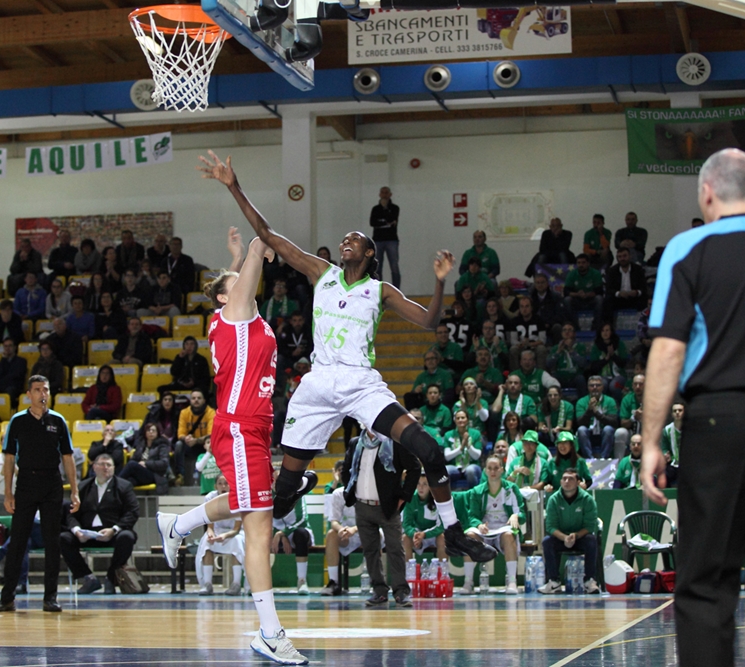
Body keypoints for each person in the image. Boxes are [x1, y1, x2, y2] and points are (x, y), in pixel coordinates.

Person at [199, 150, 495, 567]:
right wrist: (234, 186)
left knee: (428, 450)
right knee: (281, 495)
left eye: (354, 239)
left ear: (370, 253)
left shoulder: (381, 290)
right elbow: (266, 233)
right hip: (319, 384)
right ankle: (272, 496)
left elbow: (429, 321)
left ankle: (455, 533)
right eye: (343, 240)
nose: (345, 242)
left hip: (360, 384)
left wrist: (439, 282)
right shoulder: (321, 272)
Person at [640, 149, 745, 667]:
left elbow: (669, 350)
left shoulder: (688, 249)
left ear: (708, 193)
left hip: (719, 421)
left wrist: (651, 441)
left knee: (707, 583)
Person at [156, 230, 308, 665]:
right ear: (225, 298)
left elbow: (239, 277)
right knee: (259, 525)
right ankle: (271, 633)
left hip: (255, 428)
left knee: (253, 507)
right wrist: (260, 243)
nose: (242, 285)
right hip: (240, 427)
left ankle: (178, 524)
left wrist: (237, 258)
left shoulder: (241, 318)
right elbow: (261, 245)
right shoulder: (235, 316)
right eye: (235, 284)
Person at [0, 375, 80, 614]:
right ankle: (7, 598)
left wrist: (75, 491)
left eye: (46, 389)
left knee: (52, 542)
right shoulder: (18, 420)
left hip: (52, 483)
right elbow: (9, 458)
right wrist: (8, 493)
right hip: (26, 482)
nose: (42, 394)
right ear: (28, 394)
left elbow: (68, 457)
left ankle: (50, 597)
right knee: (18, 541)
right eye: (38, 389)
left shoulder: (58, 420)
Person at [342, 428, 419, 607]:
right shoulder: (355, 443)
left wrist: (403, 496)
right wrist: (351, 491)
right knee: (370, 550)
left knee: (395, 548)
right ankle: (379, 591)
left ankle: (401, 591)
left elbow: (415, 468)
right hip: (362, 506)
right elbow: (346, 470)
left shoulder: (395, 443)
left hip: (388, 507)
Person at [61, 453, 139, 595]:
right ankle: (88, 578)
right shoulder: (83, 486)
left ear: (114, 468)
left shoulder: (124, 486)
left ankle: (111, 578)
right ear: (94, 467)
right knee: (63, 538)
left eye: (109, 465)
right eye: (102, 464)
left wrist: (114, 529)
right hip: (87, 533)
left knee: (127, 537)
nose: (105, 468)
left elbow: (132, 512)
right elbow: (71, 514)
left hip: (112, 532)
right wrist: (77, 531)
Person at [460, 455, 526, 595]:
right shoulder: (477, 491)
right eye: (490, 468)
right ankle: (468, 581)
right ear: (485, 471)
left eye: (496, 468)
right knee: (469, 535)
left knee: (508, 535)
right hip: (486, 530)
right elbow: (472, 516)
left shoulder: (511, 489)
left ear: (502, 470)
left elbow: (521, 513)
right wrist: (479, 525)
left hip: (504, 528)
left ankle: (512, 581)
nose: (493, 471)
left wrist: (516, 516)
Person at [537, 468, 601, 595]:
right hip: (561, 538)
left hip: (580, 537)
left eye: (571, 479)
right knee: (547, 542)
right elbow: (550, 526)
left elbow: (590, 526)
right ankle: (554, 581)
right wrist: (564, 538)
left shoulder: (587, 500)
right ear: (560, 481)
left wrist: (575, 536)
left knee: (591, 540)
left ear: (578, 482)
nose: (566, 481)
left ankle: (589, 581)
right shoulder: (553, 500)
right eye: (564, 478)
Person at [196, 475, 245, 596]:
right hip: (217, 530)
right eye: (220, 483)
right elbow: (210, 526)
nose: (223, 486)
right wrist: (211, 534)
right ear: (215, 486)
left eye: (226, 483)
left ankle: (236, 584)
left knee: (238, 541)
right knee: (207, 542)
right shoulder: (210, 498)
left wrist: (225, 536)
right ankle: (207, 584)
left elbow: (236, 529)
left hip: (235, 532)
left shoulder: (238, 498)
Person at [319, 485, 359, 597]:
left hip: (365, 531)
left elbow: (372, 520)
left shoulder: (368, 492)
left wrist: (354, 529)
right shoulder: (337, 494)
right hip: (345, 534)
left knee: (376, 536)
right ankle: (333, 582)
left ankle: (377, 583)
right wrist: (341, 529)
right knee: (331, 535)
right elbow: (334, 521)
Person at [173, 388, 215, 485]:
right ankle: (180, 475)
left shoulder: (211, 412)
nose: (196, 400)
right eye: (193, 398)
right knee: (179, 445)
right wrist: (186, 439)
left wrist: (196, 440)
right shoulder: (184, 412)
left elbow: (211, 434)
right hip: (190, 444)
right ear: (190, 400)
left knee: (213, 443)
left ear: (204, 400)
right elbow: (180, 434)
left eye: (199, 398)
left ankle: (213, 478)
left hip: (205, 444)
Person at [401, 474, 447, 562]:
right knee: (405, 538)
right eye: (418, 483)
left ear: (430, 486)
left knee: (442, 538)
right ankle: (409, 568)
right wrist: (414, 534)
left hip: (433, 534)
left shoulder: (438, 498)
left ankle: (442, 568)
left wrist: (425, 534)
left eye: (425, 484)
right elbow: (407, 524)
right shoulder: (411, 498)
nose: (421, 487)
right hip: (418, 534)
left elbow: (441, 526)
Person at [119, 422, 172, 494]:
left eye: (153, 430)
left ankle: (113, 484)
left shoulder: (162, 446)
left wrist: (146, 463)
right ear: (145, 433)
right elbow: (134, 459)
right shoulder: (141, 445)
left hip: (154, 475)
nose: (151, 432)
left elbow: (164, 463)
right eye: (149, 430)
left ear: (157, 433)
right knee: (128, 482)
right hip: (141, 473)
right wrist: (139, 464)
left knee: (131, 464)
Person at [574, 376, 618, 458]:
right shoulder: (581, 402)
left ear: (603, 387)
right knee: (581, 429)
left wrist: (597, 413)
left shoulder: (610, 401)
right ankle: (589, 459)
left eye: (598, 385)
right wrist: (589, 410)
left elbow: (613, 422)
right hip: (589, 434)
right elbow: (580, 422)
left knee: (608, 429)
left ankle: (604, 459)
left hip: (604, 434)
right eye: (592, 385)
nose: (595, 388)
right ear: (588, 388)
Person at [369, 186, 401, 288]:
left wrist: (382, 218)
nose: (384, 194)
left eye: (386, 192)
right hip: (378, 240)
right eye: (382, 192)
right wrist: (386, 222)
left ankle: (396, 290)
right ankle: (378, 289)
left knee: (394, 266)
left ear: (390, 194)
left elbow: (392, 220)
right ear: (379, 194)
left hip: (392, 240)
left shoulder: (395, 208)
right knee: (377, 267)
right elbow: (372, 222)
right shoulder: (375, 209)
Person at [442, 409, 483, 489]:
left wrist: (467, 445)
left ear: (467, 419)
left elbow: (477, 456)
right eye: (458, 418)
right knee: (446, 470)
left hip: (471, 465)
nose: (460, 420)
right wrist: (461, 448)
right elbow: (447, 457)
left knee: (470, 470)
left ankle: (473, 493)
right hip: (455, 467)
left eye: (463, 417)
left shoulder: (476, 433)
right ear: (455, 420)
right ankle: (448, 495)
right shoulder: (448, 434)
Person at [603, 247, 647, 321]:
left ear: (630, 256)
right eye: (620, 257)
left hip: (634, 298)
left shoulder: (638, 269)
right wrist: (619, 293)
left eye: (624, 256)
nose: (622, 259)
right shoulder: (612, 271)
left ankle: (643, 324)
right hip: (618, 299)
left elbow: (643, 287)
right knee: (607, 301)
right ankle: (608, 325)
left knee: (645, 300)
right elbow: (609, 289)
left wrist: (637, 292)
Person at [587, 322, 629, 399]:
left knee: (614, 385)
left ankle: (618, 403)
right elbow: (594, 367)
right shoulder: (596, 346)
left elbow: (623, 363)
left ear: (611, 332)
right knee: (602, 385)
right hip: (602, 376)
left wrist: (613, 355)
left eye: (607, 330)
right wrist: (605, 359)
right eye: (602, 331)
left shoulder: (619, 344)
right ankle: (601, 404)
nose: (605, 333)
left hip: (618, 375)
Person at [547, 322, 588, 398]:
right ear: (561, 333)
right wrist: (558, 352)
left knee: (581, 379)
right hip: (561, 377)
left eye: (570, 330)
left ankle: (583, 402)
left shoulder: (580, 347)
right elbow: (548, 365)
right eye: (564, 330)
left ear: (574, 333)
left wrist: (572, 351)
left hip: (574, 377)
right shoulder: (555, 348)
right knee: (553, 378)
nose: (567, 332)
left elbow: (583, 364)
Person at [506, 296, 548, 369]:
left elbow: (542, 340)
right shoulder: (514, 321)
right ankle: (515, 374)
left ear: (531, 308)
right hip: (521, 347)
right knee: (513, 349)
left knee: (541, 349)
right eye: (522, 306)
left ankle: (541, 373)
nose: (524, 309)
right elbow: (513, 340)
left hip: (535, 346)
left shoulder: (539, 320)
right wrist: (521, 344)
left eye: (527, 306)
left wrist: (530, 344)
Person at [615, 373, 645, 460]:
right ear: (632, 386)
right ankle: (619, 462)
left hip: (647, 433)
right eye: (635, 384)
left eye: (641, 384)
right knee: (620, 432)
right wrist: (633, 418)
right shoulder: (627, 399)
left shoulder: (653, 400)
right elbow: (623, 423)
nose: (638, 387)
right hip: (631, 432)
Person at [537, 386, 574, 452]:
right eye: (550, 395)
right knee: (538, 435)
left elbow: (568, 427)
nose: (552, 397)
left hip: (562, 433)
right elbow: (540, 426)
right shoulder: (542, 407)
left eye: (555, 395)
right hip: (548, 434)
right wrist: (543, 428)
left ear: (560, 396)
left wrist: (560, 429)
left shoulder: (568, 406)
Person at [0, 338, 28, 407]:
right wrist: (3, 360)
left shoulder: (21, 361)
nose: (7, 348)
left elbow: (17, 376)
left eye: (10, 346)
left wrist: (1, 380)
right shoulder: (1, 363)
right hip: (1, 388)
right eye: (5, 346)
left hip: (15, 388)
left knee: (10, 391)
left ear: (15, 347)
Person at [659, 401, 684, 488]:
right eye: (675, 411)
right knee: (663, 476)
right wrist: (665, 454)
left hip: (688, 464)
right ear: (672, 414)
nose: (677, 412)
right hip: (674, 463)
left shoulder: (691, 428)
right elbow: (664, 447)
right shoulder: (667, 430)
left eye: (680, 410)